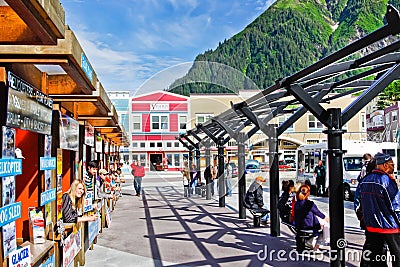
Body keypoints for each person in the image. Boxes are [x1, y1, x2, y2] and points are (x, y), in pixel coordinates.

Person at [358, 152, 400, 266]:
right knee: (397, 255)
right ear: (384, 165)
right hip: (389, 226)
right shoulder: (386, 181)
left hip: (372, 226)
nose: (393, 167)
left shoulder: (365, 180)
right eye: (391, 164)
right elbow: (395, 206)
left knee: (376, 257)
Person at [294, 184, 330, 251]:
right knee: (327, 225)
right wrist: (326, 218)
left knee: (325, 223)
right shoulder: (309, 203)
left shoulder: (297, 203)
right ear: (308, 193)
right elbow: (318, 213)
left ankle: (315, 243)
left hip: (299, 224)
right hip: (309, 225)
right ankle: (319, 243)